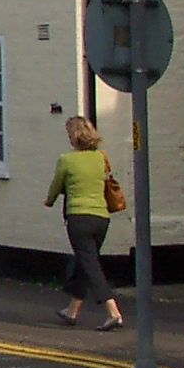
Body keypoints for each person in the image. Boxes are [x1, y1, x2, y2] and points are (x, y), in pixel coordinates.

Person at [44, 116, 122, 331]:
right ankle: (72, 310)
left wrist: (49, 201)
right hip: (101, 218)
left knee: (90, 265)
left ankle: (113, 312)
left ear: (74, 135)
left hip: (79, 218)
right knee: (85, 263)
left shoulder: (66, 160)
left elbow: (56, 185)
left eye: (69, 133)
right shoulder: (101, 157)